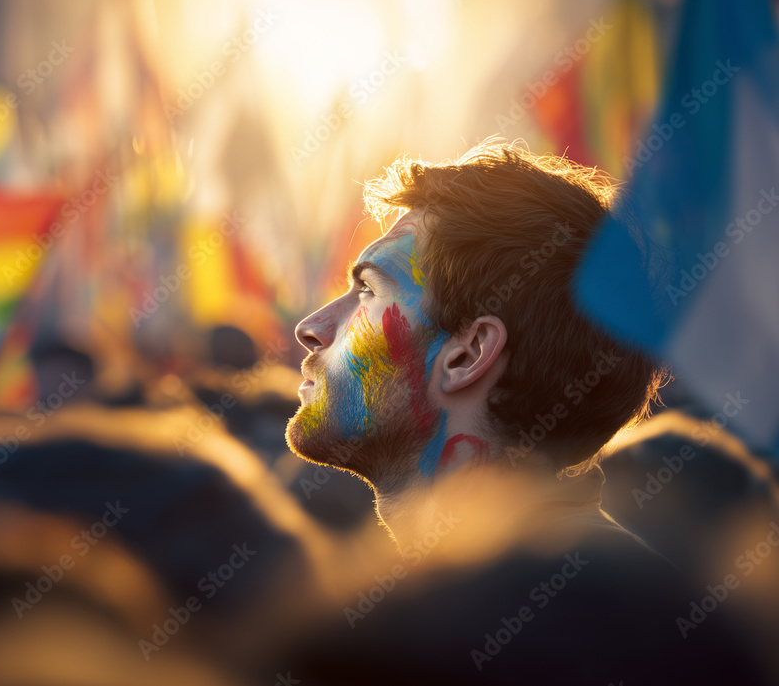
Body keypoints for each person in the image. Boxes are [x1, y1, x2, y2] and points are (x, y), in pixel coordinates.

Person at [285, 140, 666, 544]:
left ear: (467, 354)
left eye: (368, 290)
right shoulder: (458, 587)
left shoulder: (572, 599)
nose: (311, 327)